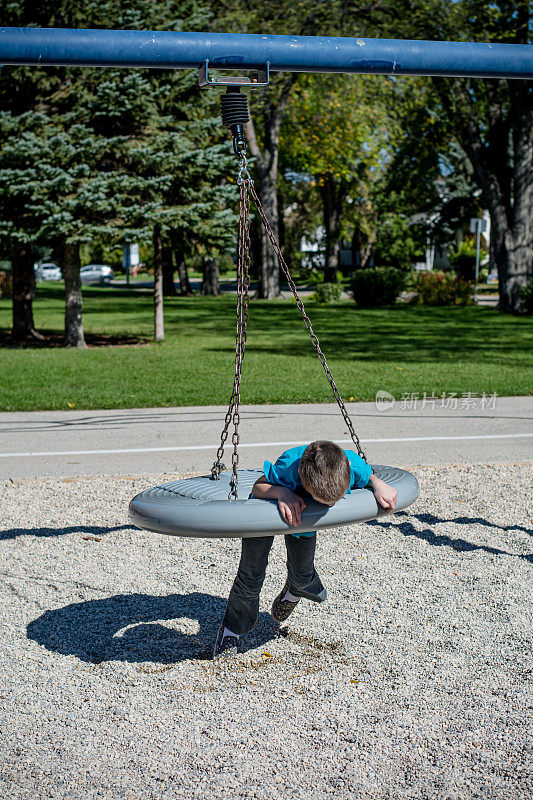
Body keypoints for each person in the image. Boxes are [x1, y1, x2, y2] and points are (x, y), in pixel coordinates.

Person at [213, 440, 398, 658]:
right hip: (263, 515)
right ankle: (232, 629)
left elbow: (368, 476)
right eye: (323, 501)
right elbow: (258, 486)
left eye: (334, 501)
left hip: (305, 519)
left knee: (303, 574)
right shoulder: (290, 465)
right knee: (251, 575)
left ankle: (294, 591)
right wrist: (282, 493)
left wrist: (378, 484)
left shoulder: (350, 465)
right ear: (303, 478)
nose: (329, 506)